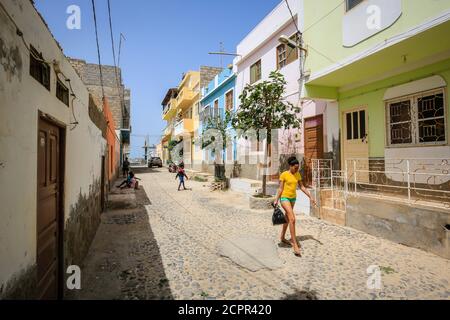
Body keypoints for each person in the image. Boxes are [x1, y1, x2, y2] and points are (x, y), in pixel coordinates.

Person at [273, 156, 317, 257]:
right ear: (290, 166)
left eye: (298, 168)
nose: (297, 169)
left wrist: (310, 196)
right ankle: (295, 245)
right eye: (295, 168)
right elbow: (280, 189)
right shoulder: (284, 174)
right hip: (284, 198)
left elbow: (301, 186)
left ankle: (283, 237)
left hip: (293, 199)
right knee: (292, 219)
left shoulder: (297, 174)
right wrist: (276, 199)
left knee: (287, 218)